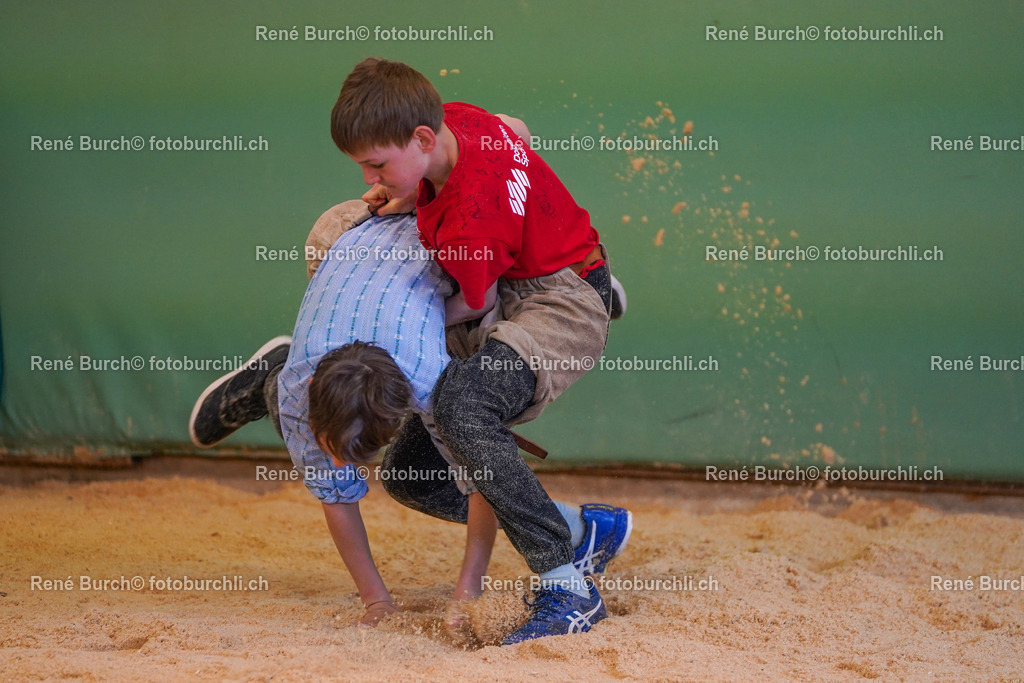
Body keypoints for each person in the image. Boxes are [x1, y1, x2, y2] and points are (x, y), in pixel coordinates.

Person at [189, 202, 631, 634]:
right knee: (406, 475)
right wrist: (376, 600)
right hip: (352, 237)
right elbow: (336, 498)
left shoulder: (430, 377)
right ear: (307, 390)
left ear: (407, 404)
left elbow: (481, 479)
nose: (344, 467)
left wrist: (468, 590)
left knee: (482, 314)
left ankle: (582, 285)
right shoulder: (297, 387)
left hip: (457, 239)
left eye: (358, 456)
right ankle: (576, 527)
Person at [330, 57, 628, 644]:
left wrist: (386, 322)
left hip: (555, 303)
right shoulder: (458, 121)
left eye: (377, 165)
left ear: (420, 138)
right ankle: (578, 530)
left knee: (465, 406)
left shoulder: (471, 222)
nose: (372, 179)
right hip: (531, 267)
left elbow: (471, 305)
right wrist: (409, 188)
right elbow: (514, 128)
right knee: (412, 476)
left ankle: (569, 592)